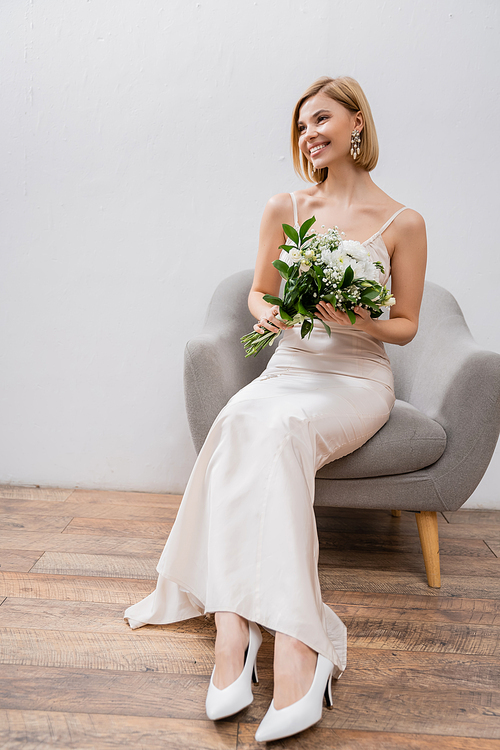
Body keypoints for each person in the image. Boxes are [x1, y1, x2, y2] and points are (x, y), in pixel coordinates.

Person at [124, 75, 427, 742]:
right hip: (292, 363)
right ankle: (236, 631)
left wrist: (356, 316)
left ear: (356, 123)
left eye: (320, 119)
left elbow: (405, 324)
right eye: (300, 126)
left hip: (355, 378)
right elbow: (261, 293)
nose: (308, 134)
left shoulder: (405, 222)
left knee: (283, 427)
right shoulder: (284, 207)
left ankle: (297, 645)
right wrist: (279, 315)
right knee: (241, 417)